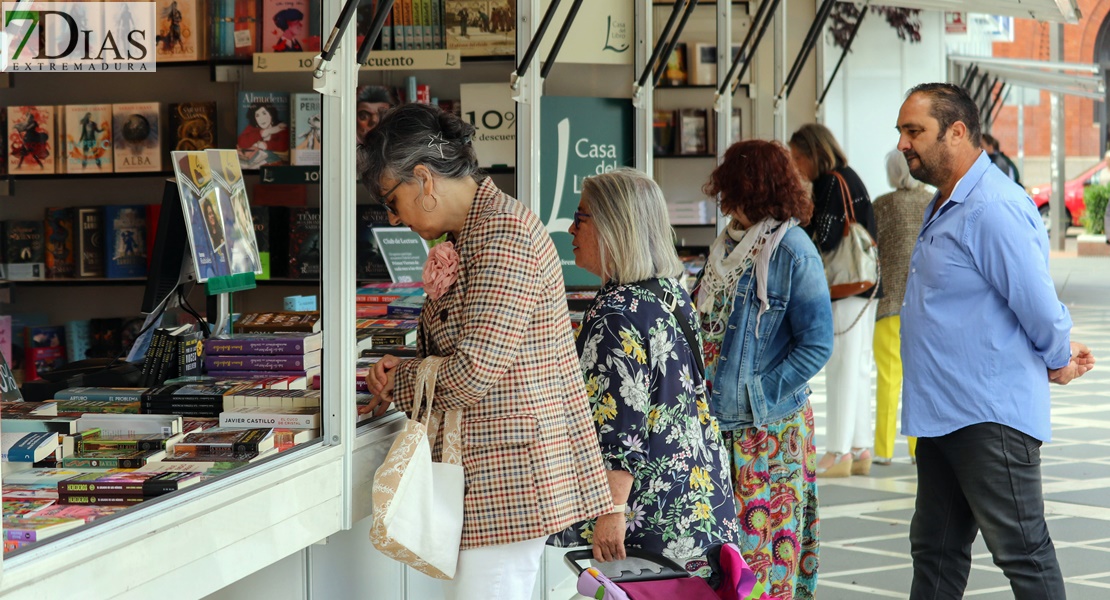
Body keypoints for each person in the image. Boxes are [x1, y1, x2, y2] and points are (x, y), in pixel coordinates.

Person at [360, 103, 612, 600]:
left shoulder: (502, 235)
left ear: (424, 180)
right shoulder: (476, 232)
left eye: (391, 200)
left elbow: (474, 371)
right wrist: (410, 369)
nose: (392, 217)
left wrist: (402, 380)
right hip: (494, 473)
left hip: (508, 476)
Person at [896, 82, 1095, 599]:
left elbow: (1036, 301)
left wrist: (1057, 359)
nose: (903, 143)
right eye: (901, 131)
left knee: (1023, 554)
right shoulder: (945, 203)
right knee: (934, 554)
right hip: (944, 413)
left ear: (957, 132)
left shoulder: (993, 207)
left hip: (988, 417)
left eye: (914, 130)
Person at [547, 168, 739, 576]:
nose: (569, 228)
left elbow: (621, 427)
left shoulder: (616, 314)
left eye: (581, 217)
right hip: (696, 496)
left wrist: (612, 512)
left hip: (646, 516)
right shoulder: (669, 291)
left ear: (614, 226)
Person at [697, 140, 832, 596]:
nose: (723, 197)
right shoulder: (728, 244)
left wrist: (757, 393)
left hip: (768, 431)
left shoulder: (793, 250)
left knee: (769, 555)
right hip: (722, 428)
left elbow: (816, 345)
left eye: (730, 185)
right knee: (728, 560)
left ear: (751, 188)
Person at [789, 123, 881, 478]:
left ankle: (838, 451)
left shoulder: (830, 182)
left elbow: (824, 239)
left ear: (814, 153)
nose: (796, 166)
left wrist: (803, 226)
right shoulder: (851, 177)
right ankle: (860, 448)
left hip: (843, 289)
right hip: (865, 286)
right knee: (858, 367)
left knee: (841, 367)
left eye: (799, 157)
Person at [871, 150, 932, 466]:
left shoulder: (881, 205)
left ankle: (882, 449)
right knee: (918, 378)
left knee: (888, 376)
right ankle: (916, 448)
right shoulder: (932, 202)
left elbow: (871, 251)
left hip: (888, 302)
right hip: (924, 306)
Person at [237, 102, 288, 168]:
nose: (261, 119)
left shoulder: (280, 127)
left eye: (264, 113)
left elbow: (284, 145)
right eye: (257, 115)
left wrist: (264, 145)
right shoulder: (253, 128)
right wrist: (266, 132)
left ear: (271, 114)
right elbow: (241, 142)